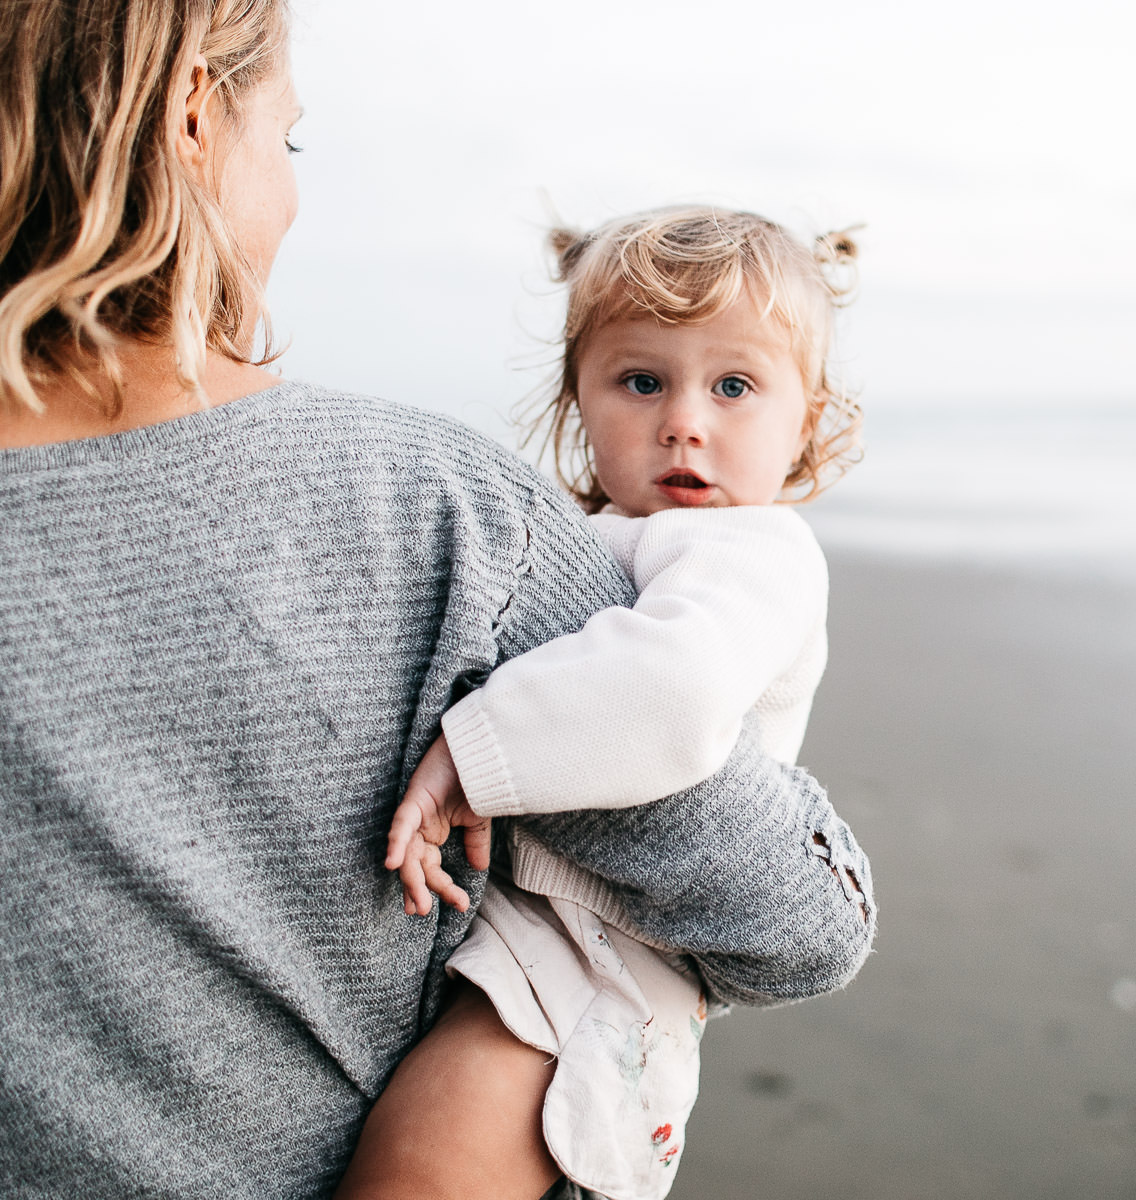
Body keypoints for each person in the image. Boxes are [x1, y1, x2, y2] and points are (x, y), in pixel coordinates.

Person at [0, 4, 875, 1199]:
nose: (684, 421)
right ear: (193, 115)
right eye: (289, 143)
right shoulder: (431, 516)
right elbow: (800, 921)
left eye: (732, 385)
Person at [363, 208, 865, 1200]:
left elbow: (670, 690)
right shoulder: (610, 534)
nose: (685, 419)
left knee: (419, 1169)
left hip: (598, 961)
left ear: (805, 417)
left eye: (734, 386)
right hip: (541, 918)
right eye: (642, 382)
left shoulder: (753, 551)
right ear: (577, 403)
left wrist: (474, 753)